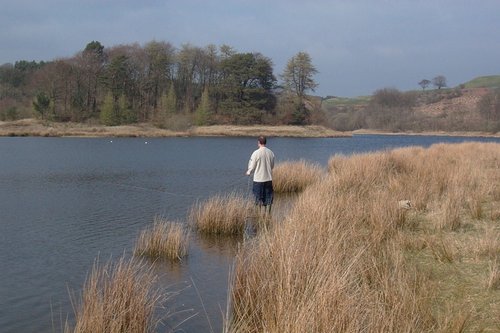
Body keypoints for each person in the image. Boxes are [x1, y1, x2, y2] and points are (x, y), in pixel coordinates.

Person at [246, 136, 275, 215]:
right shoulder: (271, 152)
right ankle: (267, 216)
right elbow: (272, 166)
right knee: (268, 198)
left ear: (258, 142)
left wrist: (249, 172)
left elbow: (252, 166)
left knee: (257, 198)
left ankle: (258, 216)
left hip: (258, 180)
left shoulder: (256, 153)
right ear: (265, 142)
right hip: (268, 179)